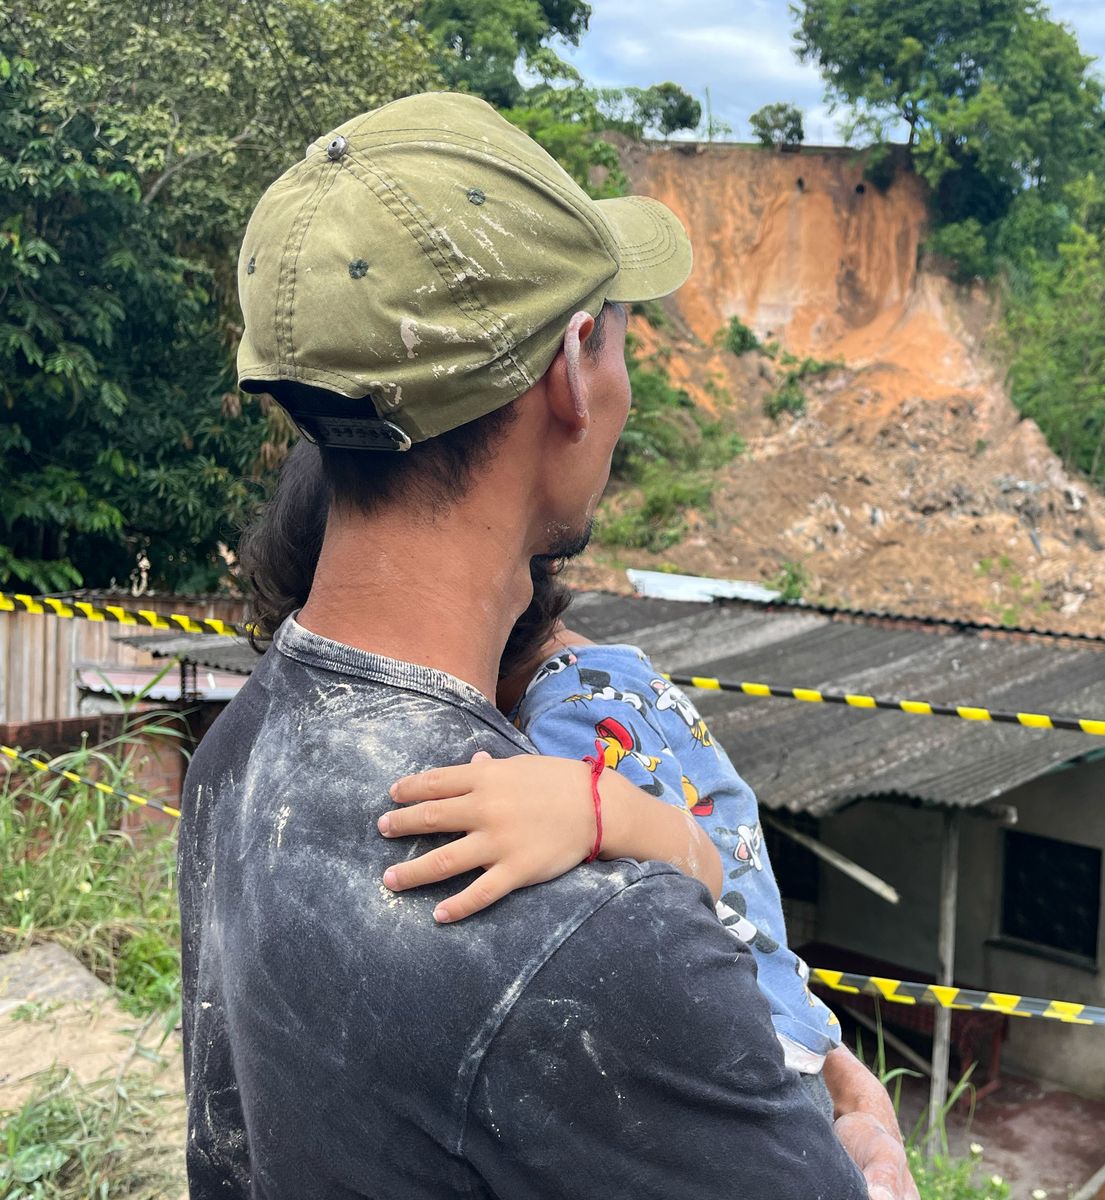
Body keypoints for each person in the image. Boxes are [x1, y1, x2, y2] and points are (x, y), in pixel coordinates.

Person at [179, 92, 904, 1198]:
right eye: (618, 335)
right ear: (573, 368)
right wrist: (879, 1170)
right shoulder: (605, 932)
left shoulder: (235, 756)